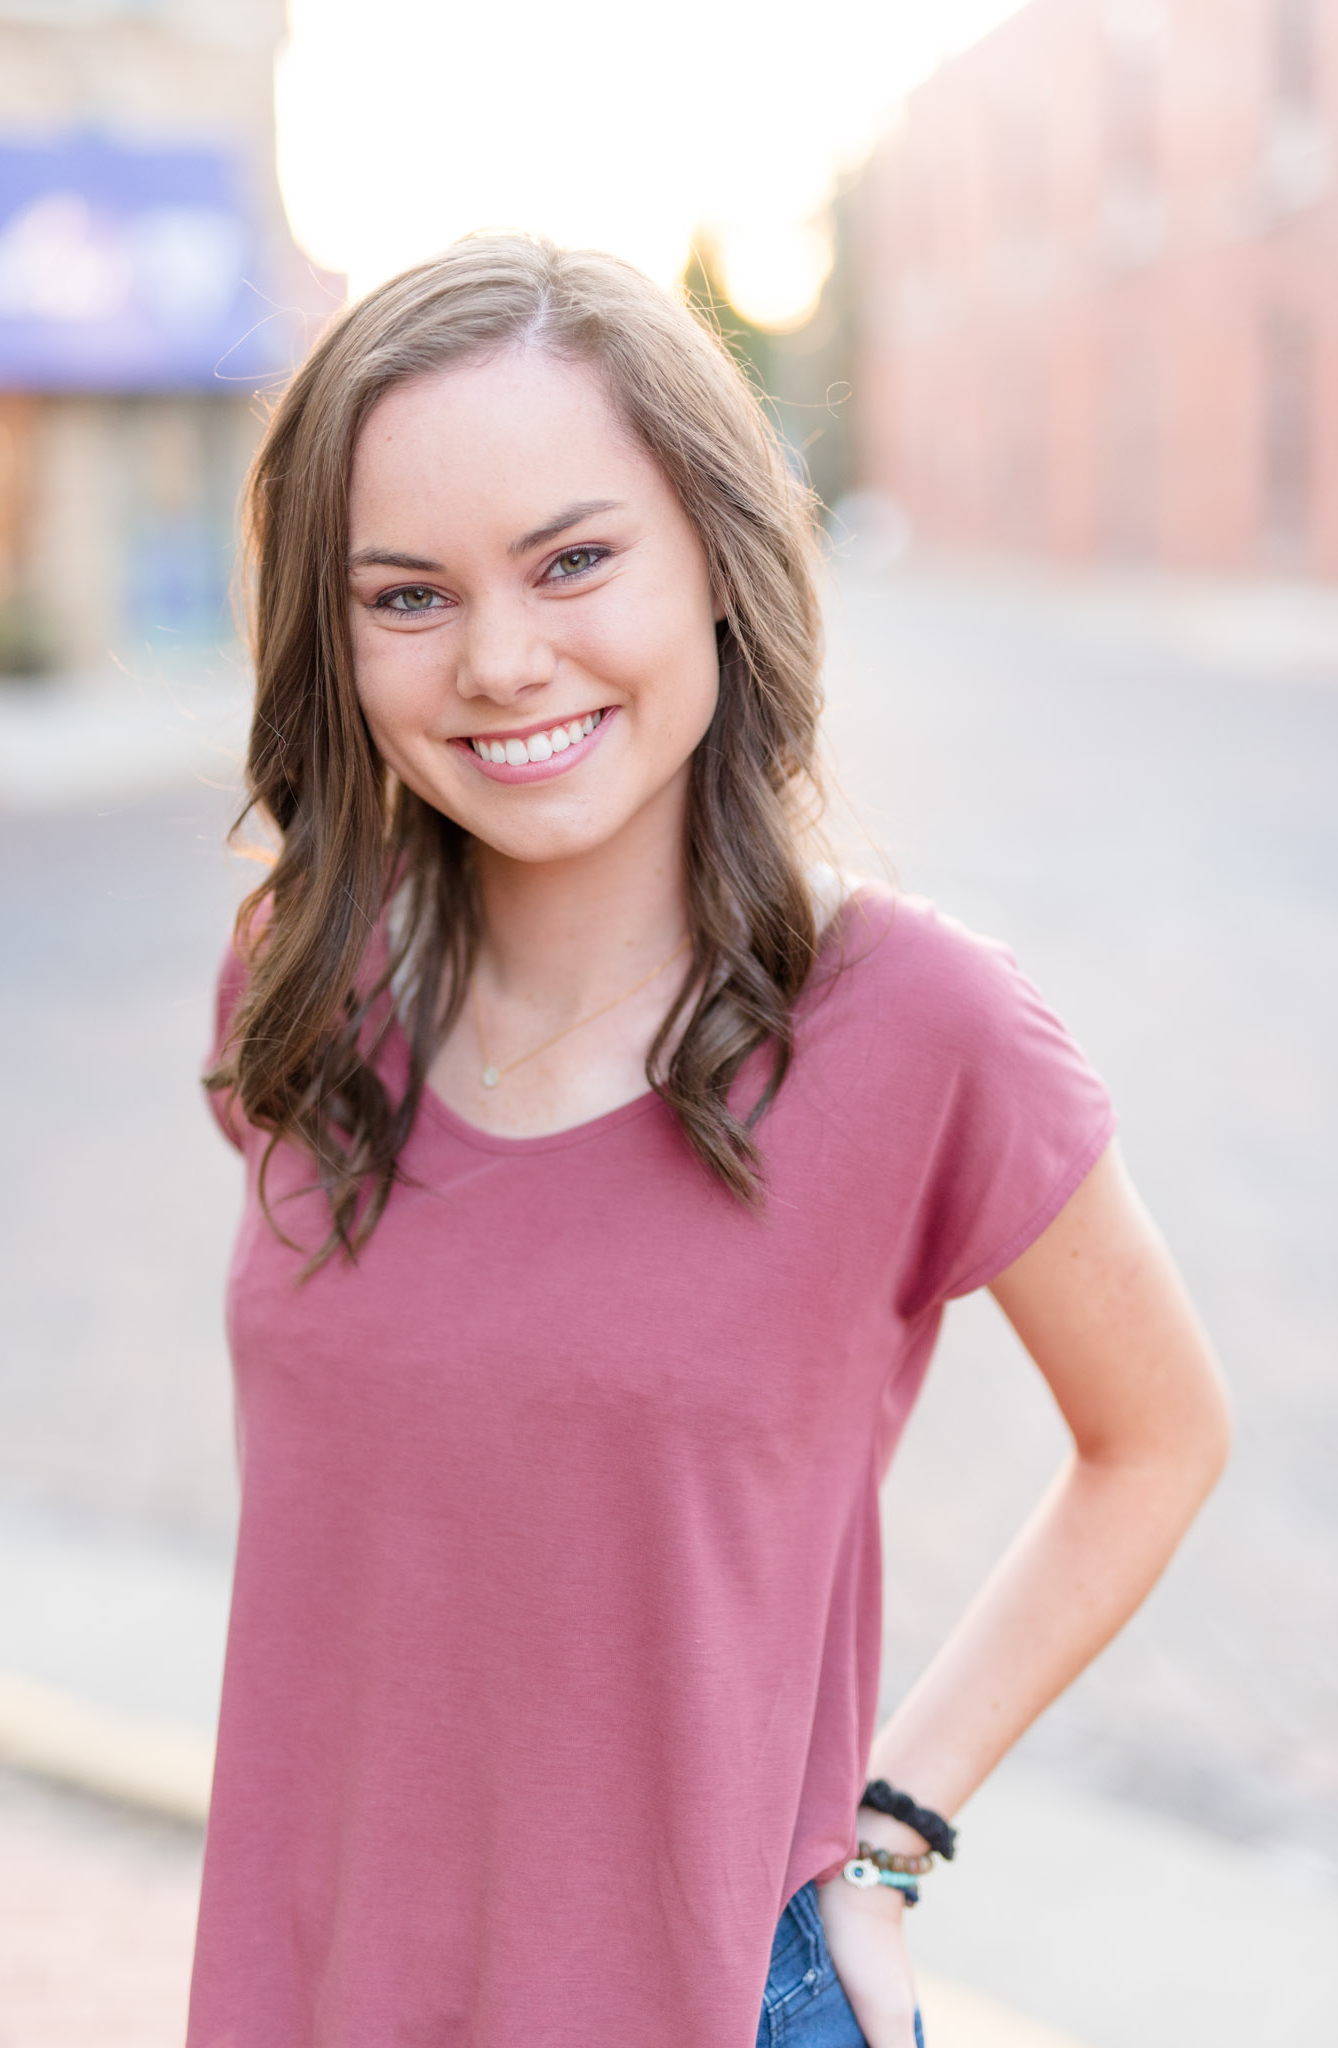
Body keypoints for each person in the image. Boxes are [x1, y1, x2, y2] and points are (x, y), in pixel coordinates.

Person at [192, 233, 1230, 2048]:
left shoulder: (917, 1024)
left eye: (577, 561)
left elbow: (1158, 1437)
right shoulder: (297, 982)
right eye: (408, 595)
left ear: (720, 568)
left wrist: (891, 1837)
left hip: (721, 2000)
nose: (505, 662)